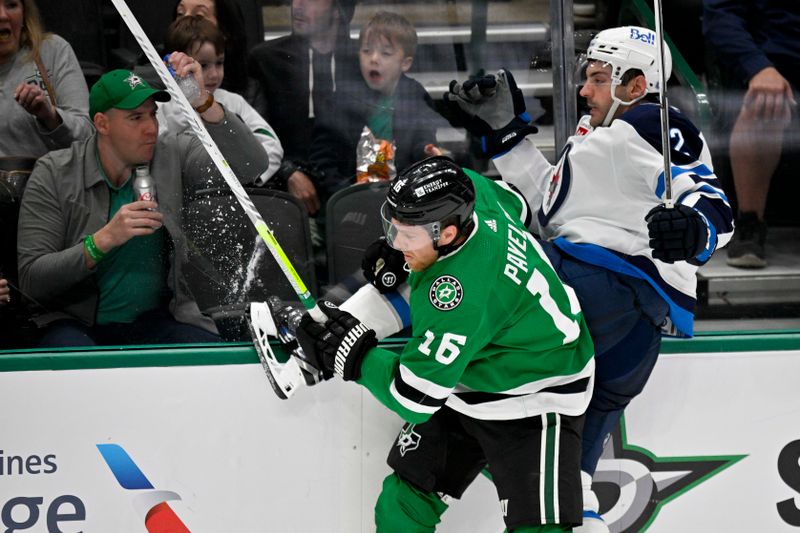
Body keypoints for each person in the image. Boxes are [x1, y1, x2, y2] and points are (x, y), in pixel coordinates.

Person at [431, 26, 734, 532]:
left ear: (636, 85)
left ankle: (362, 324)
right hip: (624, 330)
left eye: (597, 78)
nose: (584, 90)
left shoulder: (651, 120)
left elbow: (707, 196)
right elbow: (552, 202)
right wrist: (506, 131)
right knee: (570, 483)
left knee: (468, 235)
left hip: (603, 288)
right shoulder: (603, 135)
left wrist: (695, 228)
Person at [295, 156, 595, 532]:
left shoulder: (459, 295)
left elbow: (414, 399)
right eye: (393, 227)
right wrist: (405, 250)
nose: (395, 241)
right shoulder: (468, 189)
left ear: (447, 234)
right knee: (399, 509)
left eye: (408, 234)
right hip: (469, 372)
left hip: (537, 392)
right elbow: (516, 202)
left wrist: (355, 356)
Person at [16, 60, 270, 348]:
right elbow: (31, 280)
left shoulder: (170, 153)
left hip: (153, 321)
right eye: (136, 118)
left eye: (153, 114)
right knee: (72, 362)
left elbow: (251, 165)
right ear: (102, 123)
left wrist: (203, 101)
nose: (151, 128)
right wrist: (100, 242)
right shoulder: (54, 172)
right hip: (73, 323)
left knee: (209, 360)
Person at [308, 11, 445, 201]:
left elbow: (422, 137)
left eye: (386, 53)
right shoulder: (342, 100)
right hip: (349, 200)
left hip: (401, 201)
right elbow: (323, 157)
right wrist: (343, 192)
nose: (374, 58)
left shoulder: (414, 95)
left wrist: (427, 151)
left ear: (405, 63)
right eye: (366, 51)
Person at [703, 0, 798, 268]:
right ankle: (749, 223)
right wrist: (757, 67)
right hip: (768, 66)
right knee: (766, 102)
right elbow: (720, 20)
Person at [247, 0, 360, 215]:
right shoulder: (266, 60)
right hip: (286, 193)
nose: (297, 4)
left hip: (350, 193)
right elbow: (254, 134)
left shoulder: (364, 60)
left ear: (338, 10)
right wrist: (287, 172)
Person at [160, 15, 284, 186]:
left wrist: (247, 180)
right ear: (174, 64)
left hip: (234, 196)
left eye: (219, 63)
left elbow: (271, 144)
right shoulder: (161, 106)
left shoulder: (233, 102)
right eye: (203, 65)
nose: (214, 74)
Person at [0, 0, 93, 158]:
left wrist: (51, 116)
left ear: (24, 14)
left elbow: (88, 136)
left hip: (50, 179)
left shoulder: (52, 51)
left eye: (11, 5)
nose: (2, 15)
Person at [173, 0, 252, 96]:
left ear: (225, 30)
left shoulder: (246, 92)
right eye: (180, 13)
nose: (184, 22)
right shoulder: (157, 75)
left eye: (199, 16)